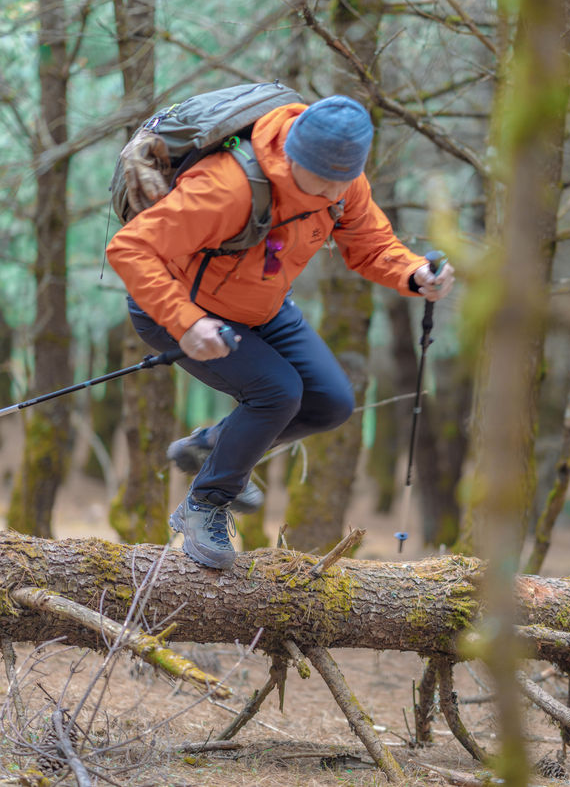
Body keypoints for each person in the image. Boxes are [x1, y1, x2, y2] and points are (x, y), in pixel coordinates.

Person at [107, 95, 455, 569]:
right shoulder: (226, 187)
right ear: (292, 156)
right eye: (325, 180)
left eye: (344, 179)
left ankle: (215, 445)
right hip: (179, 309)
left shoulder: (344, 184)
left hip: (263, 307)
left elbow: (370, 242)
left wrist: (414, 273)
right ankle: (204, 504)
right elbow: (130, 249)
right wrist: (186, 323)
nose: (336, 191)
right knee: (277, 392)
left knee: (332, 402)